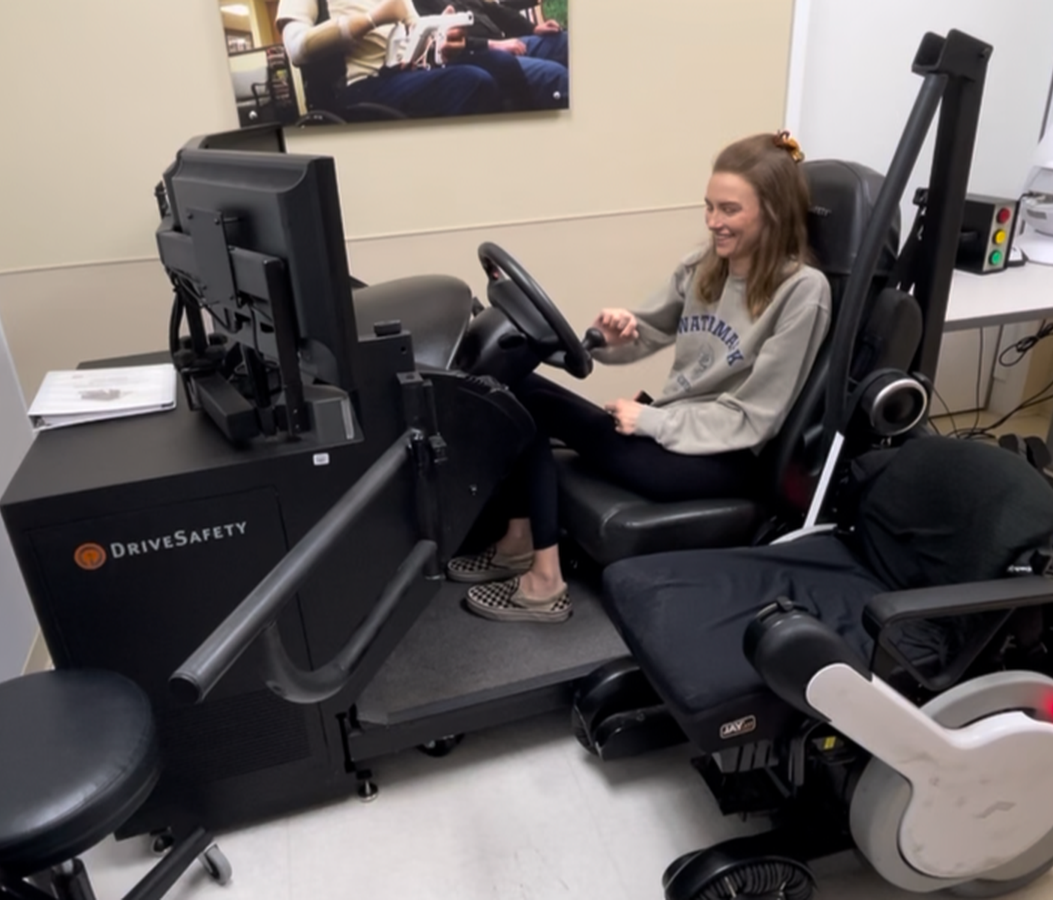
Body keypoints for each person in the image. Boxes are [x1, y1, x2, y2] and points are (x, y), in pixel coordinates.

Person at [448, 131, 833, 624]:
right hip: (673, 431)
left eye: (730, 210)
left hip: (722, 457)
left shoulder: (802, 291)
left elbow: (753, 418)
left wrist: (652, 421)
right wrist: (612, 336)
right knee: (513, 388)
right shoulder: (705, 266)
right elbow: (647, 331)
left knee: (528, 399)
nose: (713, 222)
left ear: (773, 212)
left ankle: (543, 583)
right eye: (709, 206)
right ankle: (520, 541)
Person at [276, 0, 503, 119]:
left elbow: (418, 34)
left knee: (500, 64)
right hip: (357, 87)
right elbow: (296, 47)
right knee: (473, 82)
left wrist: (441, 38)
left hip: (402, 74)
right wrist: (370, 19)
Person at [412, 0, 568, 109]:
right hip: (475, 55)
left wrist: (533, 28)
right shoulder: (416, 4)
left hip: (505, 43)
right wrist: (492, 44)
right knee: (555, 75)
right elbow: (441, 42)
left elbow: (494, 10)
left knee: (563, 42)